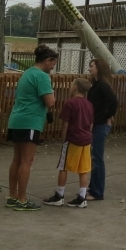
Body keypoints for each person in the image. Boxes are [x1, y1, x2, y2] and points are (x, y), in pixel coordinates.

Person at [6, 45, 58, 211]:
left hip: (17, 119)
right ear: (47, 60)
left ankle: (13, 196)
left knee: (17, 159)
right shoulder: (42, 76)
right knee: (27, 161)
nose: (52, 68)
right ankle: (22, 199)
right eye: (53, 64)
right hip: (30, 121)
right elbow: (50, 102)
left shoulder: (27, 73)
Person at [43, 78, 94, 208]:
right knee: (83, 169)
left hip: (73, 139)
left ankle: (59, 195)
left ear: (75, 87)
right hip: (86, 139)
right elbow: (91, 123)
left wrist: (63, 139)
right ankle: (82, 197)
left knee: (63, 166)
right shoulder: (89, 104)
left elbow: (65, 124)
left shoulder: (70, 103)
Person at [86, 58, 118, 201]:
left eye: (91, 66)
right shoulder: (96, 85)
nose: (89, 68)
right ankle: (93, 188)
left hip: (100, 125)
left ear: (98, 68)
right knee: (94, 158)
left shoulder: (103, 86)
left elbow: (113, 101)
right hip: (97, 124)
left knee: (97, 158)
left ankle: (97, 192)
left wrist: (106, 115)